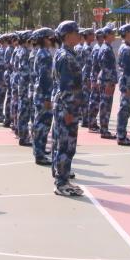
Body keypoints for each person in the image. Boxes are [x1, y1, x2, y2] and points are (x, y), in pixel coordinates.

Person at [51, 21, 85, 196]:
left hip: (67, 106)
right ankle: (61, 183)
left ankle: (63, 179)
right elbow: (66, 87)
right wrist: (70, 111)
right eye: (76, 32)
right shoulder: (65, 57)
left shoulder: (67, 53)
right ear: (67, 35)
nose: (79, 35)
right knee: (66, 146)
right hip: (67, 107)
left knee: (66, 145)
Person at [30, 27, 55, 166]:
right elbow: (45, 78)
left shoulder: (41, 52)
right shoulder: (45, 55)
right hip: (44, 94)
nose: (51, 40)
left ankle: (38, 150)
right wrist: (47, 98)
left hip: (39, 93)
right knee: (43, 125)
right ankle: (39, 154)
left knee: (39, 123)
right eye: (49, 37)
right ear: (44, 39)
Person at [114, 23, 130, 146]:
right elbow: (128, 70)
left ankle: (121, 134)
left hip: (127, 82)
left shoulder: (126, 47)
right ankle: (121, 135)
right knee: (125, 109)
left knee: (125, 109)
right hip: (127, 83)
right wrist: (129, 87)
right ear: (127, 33)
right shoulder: (126, 49)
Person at [96, 26, 118, 139]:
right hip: (106, 81)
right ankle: (104, 130)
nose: (114, 35)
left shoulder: (106, 47)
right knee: (105, 106)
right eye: (112, 33)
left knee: (106, 105)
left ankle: (104, 129)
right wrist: (109, 82)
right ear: (108, 35)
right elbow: (105, 67)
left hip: (106, 80)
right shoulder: (106, 49)